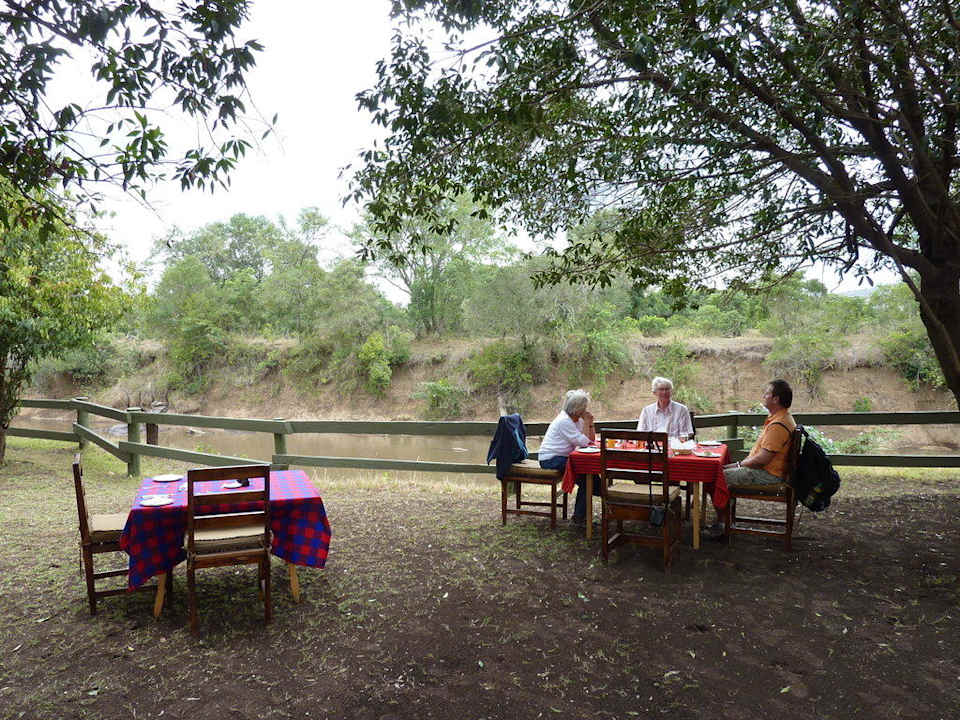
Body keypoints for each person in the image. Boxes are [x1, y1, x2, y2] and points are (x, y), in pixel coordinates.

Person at [723, 379, 797, 488]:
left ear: (775, 399)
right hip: (769, 471)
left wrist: (738, 465)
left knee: (718, 475)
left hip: (769, 475)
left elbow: (761, 460)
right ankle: (722, 504)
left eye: (767, 393)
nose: (763, 396)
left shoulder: (778, 425)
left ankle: (719, 505)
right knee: (721, 470)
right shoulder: (783, 417)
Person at [538, 388, 596, 525]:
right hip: (550, 459)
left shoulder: (577, 420)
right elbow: (584, 442)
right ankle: (580, 516)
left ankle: (580, 514)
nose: (586, 410)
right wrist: (587, 423)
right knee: (586, 477)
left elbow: (591, 440)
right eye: (584, 407)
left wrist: (590, 423)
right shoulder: (564, 421)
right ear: (578, 409)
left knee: (588, 477)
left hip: (563, 457)